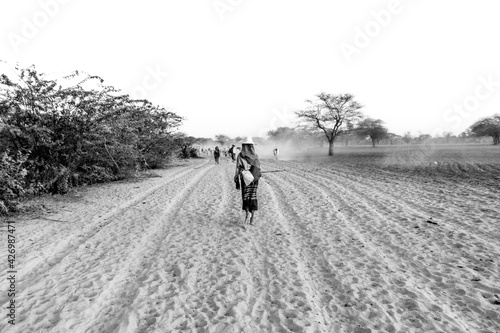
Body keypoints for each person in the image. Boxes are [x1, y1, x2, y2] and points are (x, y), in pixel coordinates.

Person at [234, 137, 261, 225]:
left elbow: (237, 168)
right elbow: (258, 168)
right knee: (253, 196)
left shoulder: (240, 156)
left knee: (245, 197)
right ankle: (252, 219)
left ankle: (247, 214)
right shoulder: (255, 156)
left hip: (245, 179)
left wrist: (236, 179)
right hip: (254, 179)